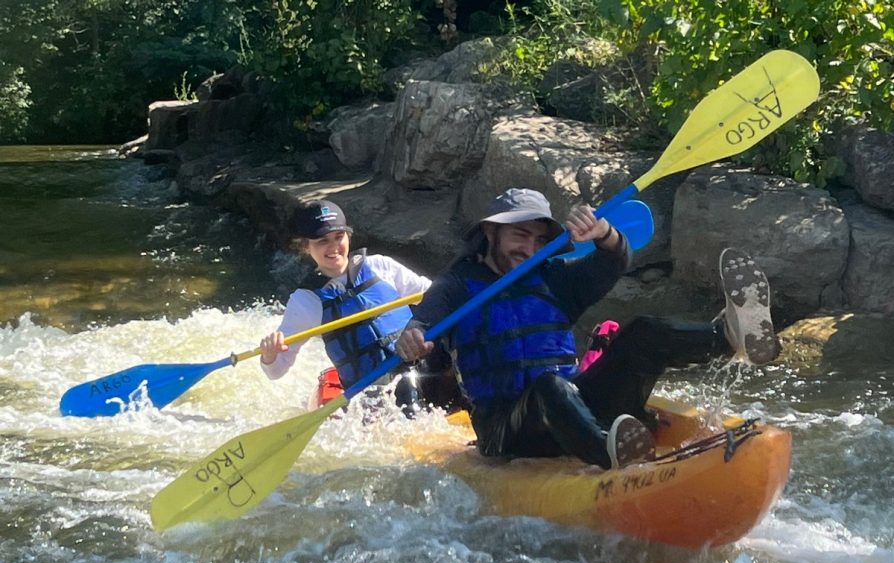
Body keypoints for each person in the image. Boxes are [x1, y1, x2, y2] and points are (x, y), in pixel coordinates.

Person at [394, 187, 780, 470]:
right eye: (519, 235)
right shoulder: (458, 284)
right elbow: (424, 320)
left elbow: (616, 261)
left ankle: (730, 338)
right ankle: (610, 456)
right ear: (492, 233)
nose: (528, 249)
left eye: (538, 239)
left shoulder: (555, 279)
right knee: (550, 385)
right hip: (505, 432)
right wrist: (413, 336)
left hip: (568, 408)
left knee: (644, 331)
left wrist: (604, 234)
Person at [259, 198, 437, 412]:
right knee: (406, 396)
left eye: (339, 237)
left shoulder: (381, 266)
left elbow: (435, 297)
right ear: (306, 246)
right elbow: (276, 371)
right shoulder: (306, 301)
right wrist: (269, 356)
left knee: (412, 384)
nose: (334, 247)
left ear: (348, 236)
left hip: (422, 368)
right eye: (322, 241)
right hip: (371, 393)